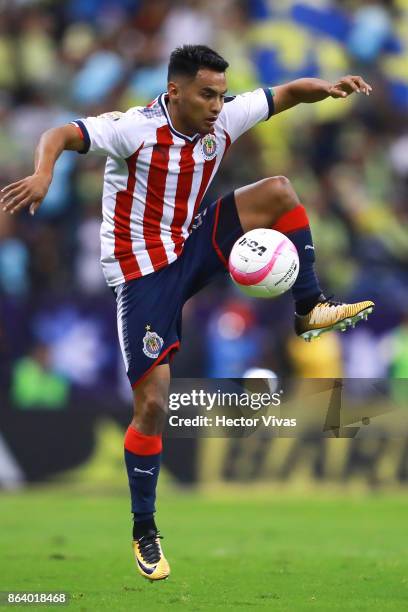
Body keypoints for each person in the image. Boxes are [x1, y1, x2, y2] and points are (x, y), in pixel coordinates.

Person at [1, 45, 375, 581]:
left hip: (191, 245)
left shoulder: (222, 117)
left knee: (279, 191)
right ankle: (144, 529)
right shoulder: (133, 128)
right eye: (206, 95)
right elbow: (59, 134)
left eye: (222, 95)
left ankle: (310, 307)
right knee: (152, 405)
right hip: (143, 275)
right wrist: (43, 175)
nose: (218, 106)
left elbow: (286, 94)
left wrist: (330, 88)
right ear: (174, 91)